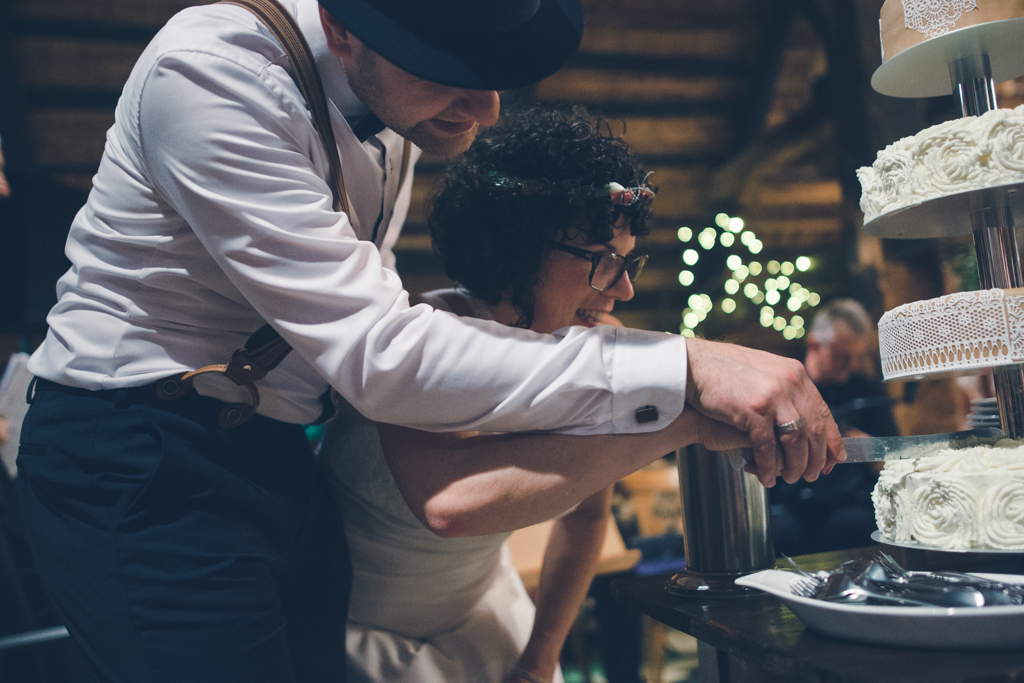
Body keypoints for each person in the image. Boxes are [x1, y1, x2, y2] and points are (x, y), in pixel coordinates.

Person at [14, 0, 844, 681]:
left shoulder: (396, 112)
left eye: (491, 81)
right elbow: (380, 353)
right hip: (137, 449)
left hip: (268, 458)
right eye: (449, 74)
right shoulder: (214, 73)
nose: (483, 113)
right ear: (341, 27)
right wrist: (685, 363)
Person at [323, 104, 658, 683]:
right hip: (348, 637)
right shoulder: (424, 336)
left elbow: (584, 520)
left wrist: (539, 658)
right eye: (604, 262)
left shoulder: (599, 346)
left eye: (628, 264)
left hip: (485, 620)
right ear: (516, 251)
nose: (623, 290)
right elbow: (452, 508)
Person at [770, 298, 899, 556]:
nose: (851, 366)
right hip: (790, 503)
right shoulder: (783, 387)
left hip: (851, 503)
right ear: (814, 344)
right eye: (842, 356)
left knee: (853, 526)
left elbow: (893, 458)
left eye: (856, 358)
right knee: (777, 532)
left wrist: (865, 448)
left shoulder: (866, 390)